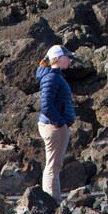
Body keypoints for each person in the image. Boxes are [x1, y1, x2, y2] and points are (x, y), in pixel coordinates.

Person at [37, 44, 76, 200]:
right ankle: (52, 201)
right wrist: (59, 122)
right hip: (53, 127)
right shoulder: (52, 77)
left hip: (53, 125)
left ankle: (54, 199)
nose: (70, 59)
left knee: (54, 165)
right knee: (53, 166)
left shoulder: (53, 76)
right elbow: (45, 105)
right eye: (67, 56)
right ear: (58, 58)